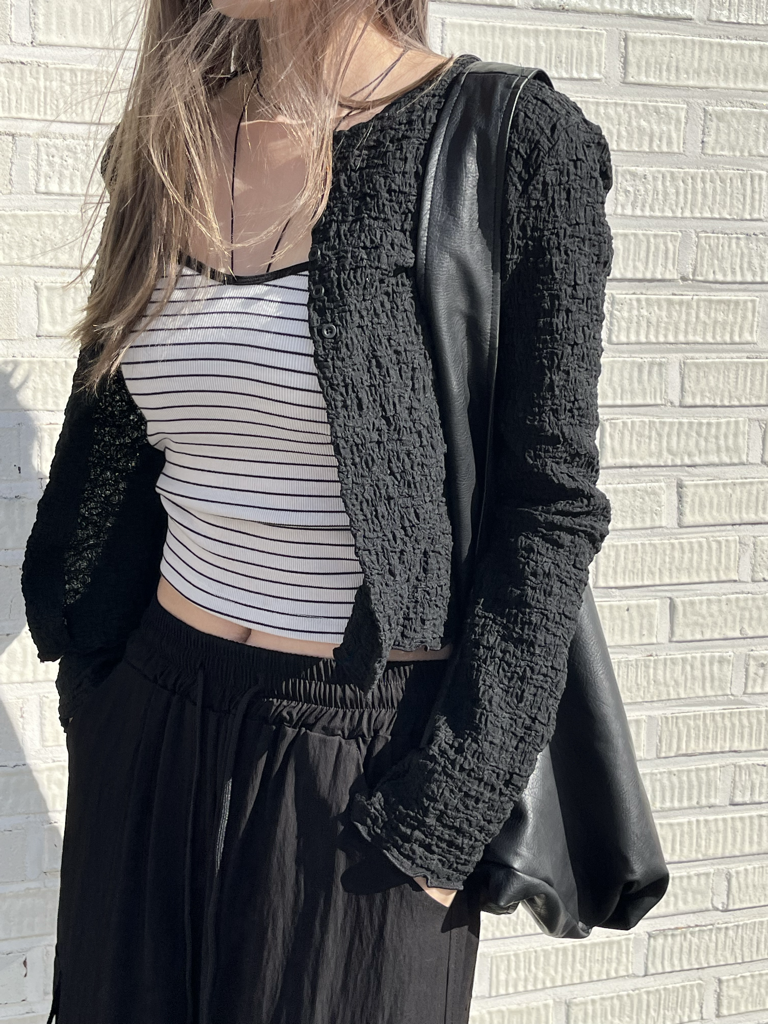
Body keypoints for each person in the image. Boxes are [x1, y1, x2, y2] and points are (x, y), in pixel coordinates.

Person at [21, 0, 614, 1020]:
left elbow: (549, 506)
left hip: (362, 769)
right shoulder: (163, 144)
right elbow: (114, 450)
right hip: (152, 718)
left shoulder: (512, 142)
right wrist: (97, 693)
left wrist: (449, 817)